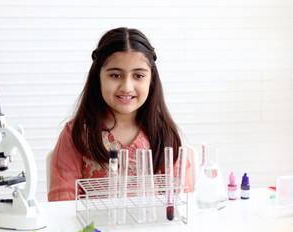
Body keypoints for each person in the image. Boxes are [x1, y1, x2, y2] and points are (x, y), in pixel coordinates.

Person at [48, 27, 195, 201]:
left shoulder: (164, 134)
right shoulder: (77, 133)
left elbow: (181, 200)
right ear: (98, 77)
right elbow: (62, 204)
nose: (126, 86)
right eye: (115, 75)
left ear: (151, 80)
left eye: (138, 75)